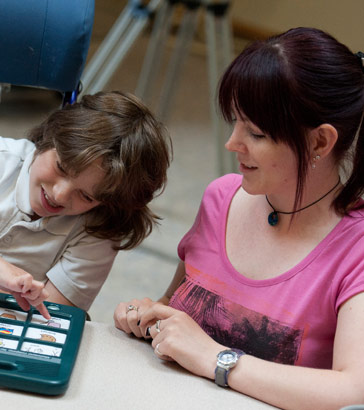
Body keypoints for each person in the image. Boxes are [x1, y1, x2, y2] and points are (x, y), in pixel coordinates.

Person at [114, 27, 364, 409]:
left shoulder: (356, 248)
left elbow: (353, 389)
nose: (232, 143)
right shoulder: (221, 197)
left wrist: (217, 360)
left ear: (320, 142)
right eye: (234, 121)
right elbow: (175, 307)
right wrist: (145, 317)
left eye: (257, 133)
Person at [0, 91, 172, 312]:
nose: (60, 195)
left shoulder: (100, 229)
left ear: (108, 203)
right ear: (52, 134)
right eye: (61, 167)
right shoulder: (4, 160)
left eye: (87, 196)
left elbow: (51, 316)